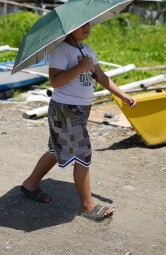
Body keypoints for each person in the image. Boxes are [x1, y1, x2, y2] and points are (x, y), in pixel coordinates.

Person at [20, 22, 136, 221]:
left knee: (56, 150)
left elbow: (100, 76)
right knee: (82, 151)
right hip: (65, 109)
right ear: (68, 29)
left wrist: (123, 95)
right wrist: (80, 67)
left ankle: (30, 185)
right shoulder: (61, 51)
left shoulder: (87, 50)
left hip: (81, 109)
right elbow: (55, 81)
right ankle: (87, 204)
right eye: (81, 26)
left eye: (89, 25)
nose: (87, 28)